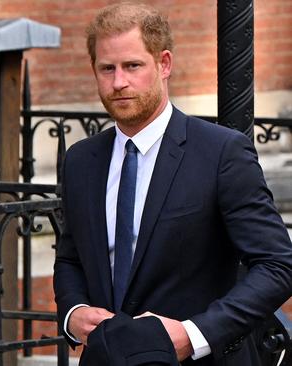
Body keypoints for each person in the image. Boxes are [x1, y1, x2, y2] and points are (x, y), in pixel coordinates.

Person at [53, 2, 292, 365]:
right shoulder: (81, 161)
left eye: (133, 66)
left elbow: (277, 265)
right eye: (107, 68)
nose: (119, 82)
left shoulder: (220, 153)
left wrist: (194, 334)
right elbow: (70, 256)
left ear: (164, 64)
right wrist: (74, 312)